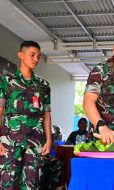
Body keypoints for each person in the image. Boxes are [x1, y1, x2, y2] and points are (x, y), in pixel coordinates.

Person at [0, 41, 52, 189]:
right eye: (32, 55)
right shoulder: (6, 82)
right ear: (21, 55)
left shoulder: (43, 85)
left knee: (32, 184)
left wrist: (49, 140)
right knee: (7, 184)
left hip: (35, 143)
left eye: (38, 56)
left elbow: (47, 114)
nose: (36, 59)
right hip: (10, 143)